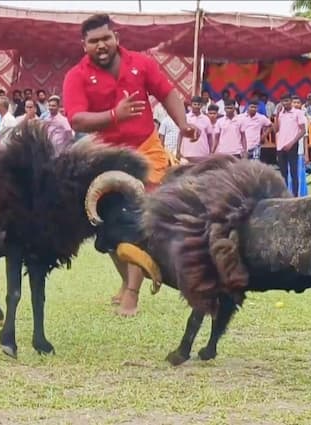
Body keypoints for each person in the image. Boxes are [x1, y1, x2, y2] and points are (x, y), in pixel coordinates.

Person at [62, 13, 198, 317]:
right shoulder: (76, 75)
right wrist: (114, 116)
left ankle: (133, 295)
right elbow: (77, 118)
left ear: (116, 38)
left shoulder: (142, 63)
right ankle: (127, 281)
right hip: (105, 156)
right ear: (84, 45)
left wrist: (183, 123)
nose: (101, 45)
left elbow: (166, 92)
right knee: (108, 224)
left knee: (140, 218)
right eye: (94, 41)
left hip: (147, 151)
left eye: (106, 38)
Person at [274, 93, 306, 197]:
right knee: (283, 173)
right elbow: (276, 129)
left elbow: (303, 130)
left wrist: (292, 143)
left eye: (287, 101)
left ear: (290, 101)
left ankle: (295, 195)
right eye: (283, 101)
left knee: (293, 172)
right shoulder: (281, 113)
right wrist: (277, 115)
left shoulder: (298, 113)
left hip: (292, 146)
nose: (285, 103)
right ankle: (284, 195)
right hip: (280, 146)